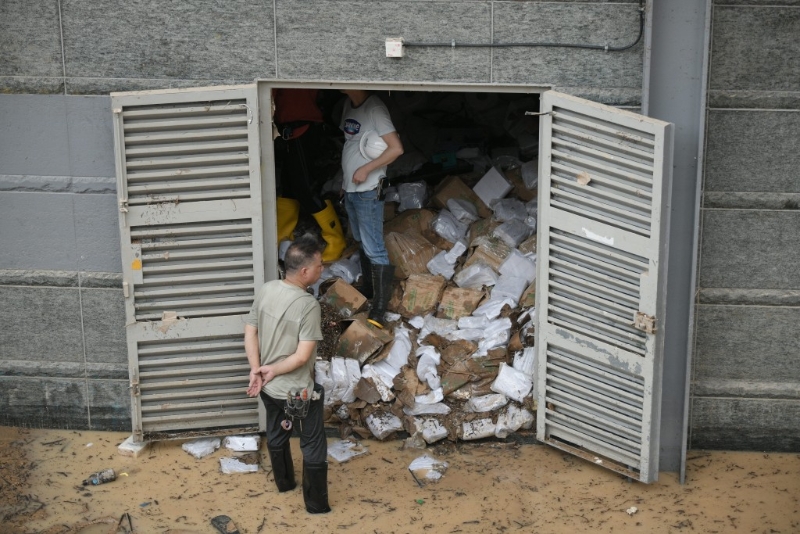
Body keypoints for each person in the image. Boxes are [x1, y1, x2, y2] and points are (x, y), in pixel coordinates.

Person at [244, 234, 330, 514]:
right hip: (297, 391)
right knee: (313, 442)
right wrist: (272, 370)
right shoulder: (308, 305)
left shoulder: (267, 289)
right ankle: (316, 506)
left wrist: (257, 370)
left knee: (277, 431)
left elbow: (250, 331)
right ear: (305, 271)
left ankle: (284, 484)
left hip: (269, 389)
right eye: (320, 265)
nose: (323, 269)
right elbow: (302, 356)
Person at [339, 89, 404, 328]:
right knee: (361, 241)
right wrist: (344, 183)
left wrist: (366, 169)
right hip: (351, 189)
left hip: (368, 190)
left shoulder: (375, 108)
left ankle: (379, 310)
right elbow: (351, 145)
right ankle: (367, 290)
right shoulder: (348, 105)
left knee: (374, 247)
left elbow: (396, 148)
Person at [274, 88, 345, 262]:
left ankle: (336, 241)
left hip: (302, 130)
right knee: (288, 189)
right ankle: (282, 238)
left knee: (305, 191)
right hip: (287, 133)